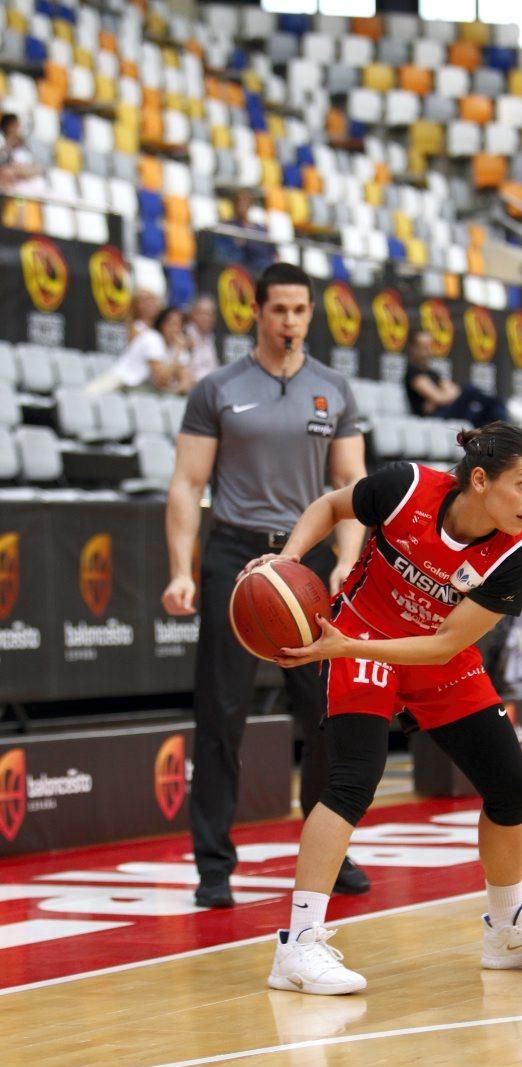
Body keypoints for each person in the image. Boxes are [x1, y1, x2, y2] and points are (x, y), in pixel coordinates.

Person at [242, 421, 522, 995]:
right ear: (479, 480)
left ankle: (506, 931)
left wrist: (346, 647)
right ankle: (299, 947)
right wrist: (285, 562)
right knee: (353, 780)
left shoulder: (517, 554)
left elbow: (446, 644)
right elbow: (331, 506)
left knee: (510, 786)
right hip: (358, 630)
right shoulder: (404, 486)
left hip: (427, 653)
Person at [161, 262, 370, 908]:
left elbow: (351, 488)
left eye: (300, 310)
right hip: (235, 557)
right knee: (221, 713)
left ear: (312, 313)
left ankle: (327, 850)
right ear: (255, 311)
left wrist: (347, 559)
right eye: (279, 309)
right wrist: (179, 568)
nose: (290, 321)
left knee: (325, 714)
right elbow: (187, 483)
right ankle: (214, 865)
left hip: (303, 559)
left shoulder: (333, 389)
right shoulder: (218, 387)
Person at [404, 329, 508, 426]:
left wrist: (436, 399)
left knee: (490, 409)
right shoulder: (413, 372)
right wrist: (441, 397)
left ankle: (506, 434)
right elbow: (439, 397)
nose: (427, 350)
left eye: (429, 346)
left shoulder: (433, 373)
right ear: (413, 348)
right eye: (423, 346)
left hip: (450, 411)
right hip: (436, 416)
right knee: (469, 390)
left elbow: (454, 392)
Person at [86, 305, 192, 395]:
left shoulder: (178, 347)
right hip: (119, 385)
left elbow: (187, 381)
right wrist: (177, 353)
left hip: (138, 390)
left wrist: (177, 388)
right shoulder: (152, 338)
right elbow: (160, 380)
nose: (175, 329)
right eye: (172, 324)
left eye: (179, 325)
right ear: (162, 324)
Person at [214, 187, 274, 276]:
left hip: (261, 271)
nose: (241, 203)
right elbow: (222, 255)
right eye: (238, 200)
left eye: (245, 200)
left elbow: (271, 253)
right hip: (238, 274)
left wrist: (247, 242)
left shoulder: (260, 229)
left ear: (250, 203)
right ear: (233, 203)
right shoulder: (225, 228)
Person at [184, 294, 219, 384]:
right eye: (203, 314)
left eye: (210, 314)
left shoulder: (212, 339)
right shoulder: (184, 335)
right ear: (193, 314)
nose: (207, 318)